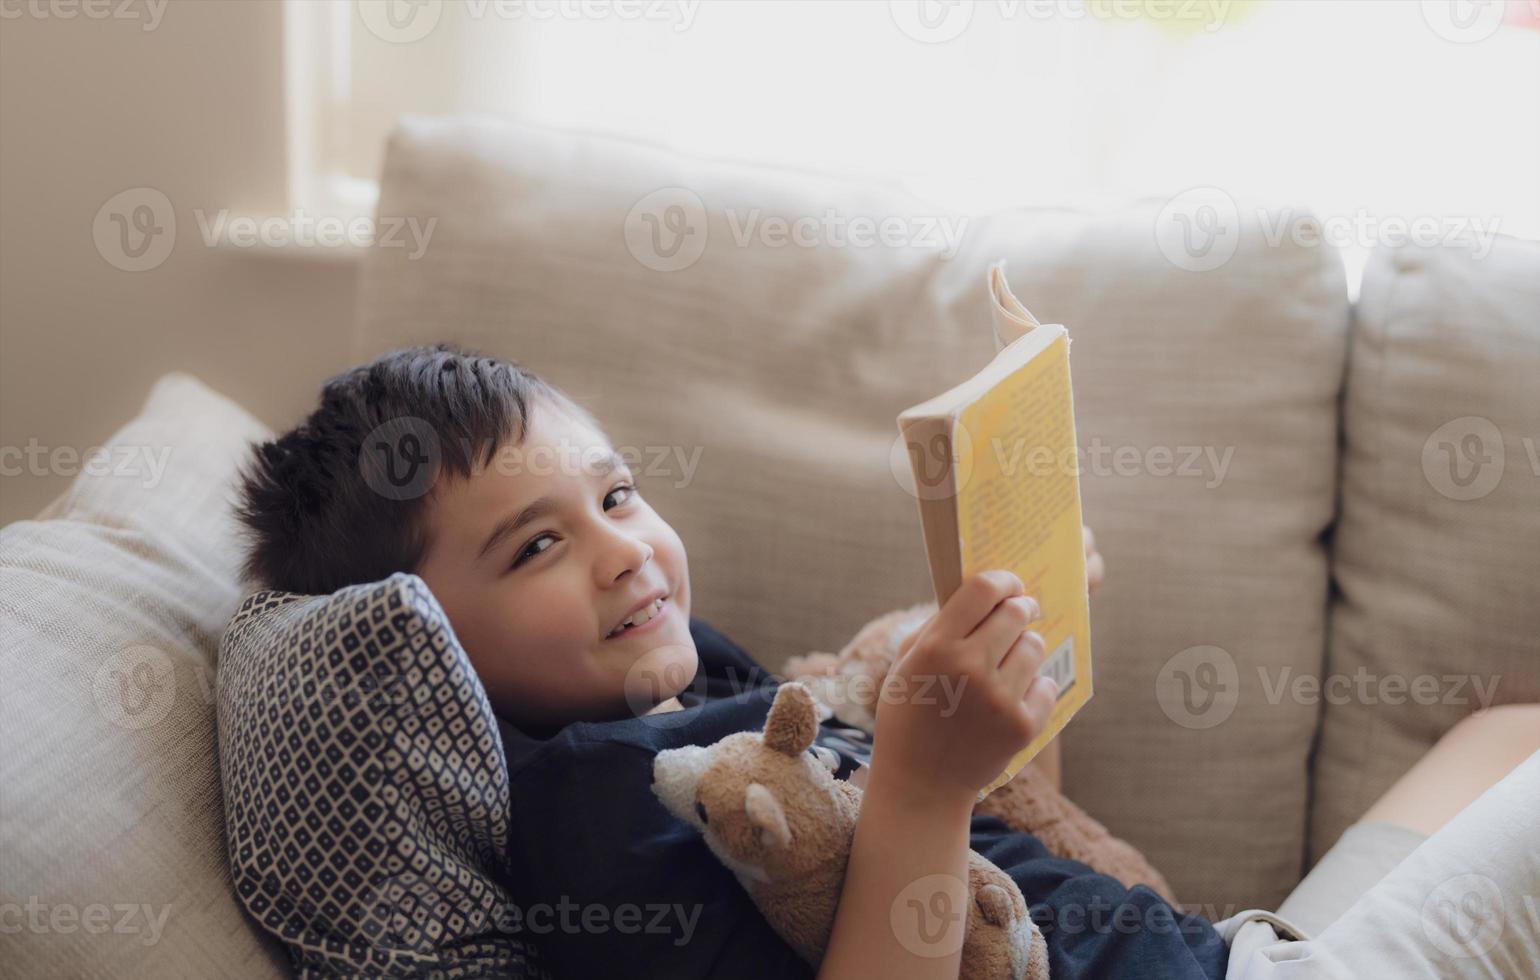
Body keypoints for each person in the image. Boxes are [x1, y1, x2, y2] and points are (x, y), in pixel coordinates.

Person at [235, 343, 1539, 980]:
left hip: (1233, 947)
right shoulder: (591, 817)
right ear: (432, 650)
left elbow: (1021, 853)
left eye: (619, 496)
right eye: (534, 548)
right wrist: (919, 783)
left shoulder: (712, 685)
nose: (621, 552)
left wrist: (1006, 697)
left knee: (1507, 728)